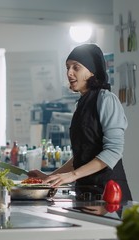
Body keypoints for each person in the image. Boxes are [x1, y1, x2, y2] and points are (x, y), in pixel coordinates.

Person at [28, 44, 133, 202]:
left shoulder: (106, 100)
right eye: (67, 67)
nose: (69, 73)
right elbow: (82, 156)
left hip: (109, 194)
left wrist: (73, 175)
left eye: (76, 67)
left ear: (92, 71)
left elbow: (113, 151)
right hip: (86, 193)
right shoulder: (81, 104)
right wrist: (51, 177)